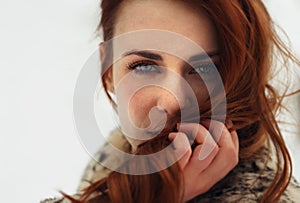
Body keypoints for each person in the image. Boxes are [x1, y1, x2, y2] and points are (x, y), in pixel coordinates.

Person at [41, 0, 300, 202]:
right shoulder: (118, 154)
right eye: (144, 66)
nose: (170, 101)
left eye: (204, 70)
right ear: (107, 71)